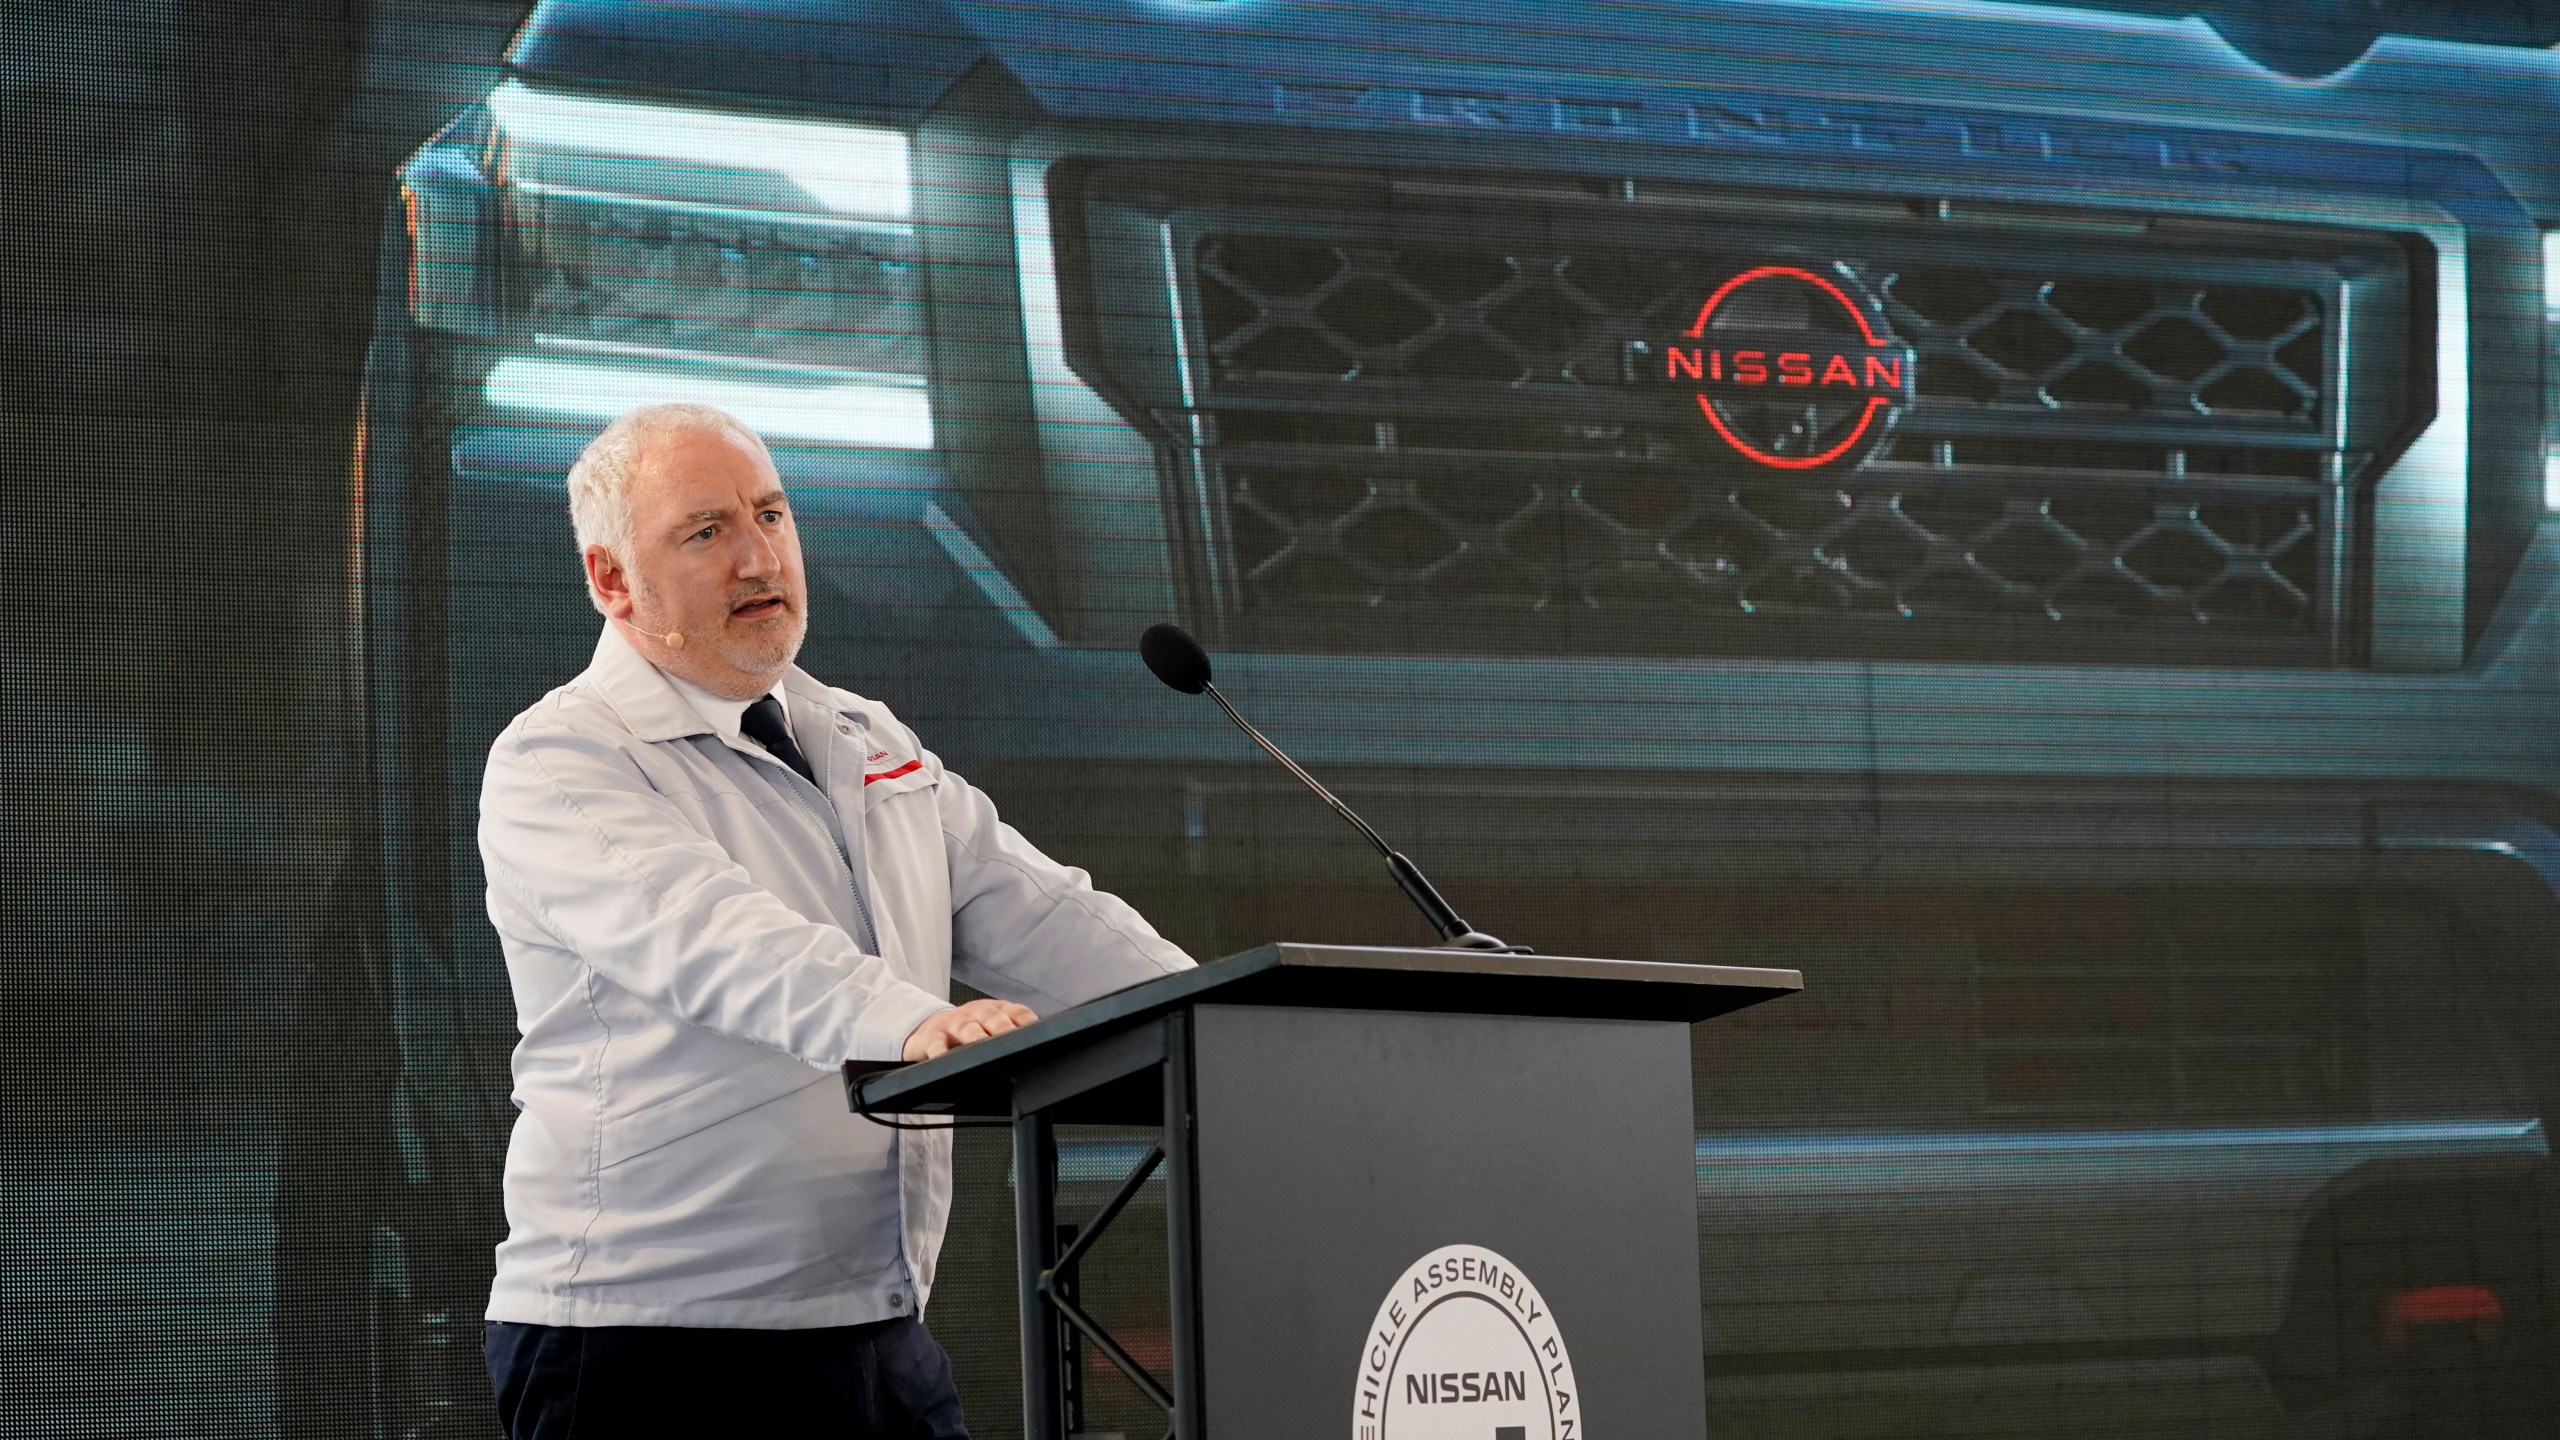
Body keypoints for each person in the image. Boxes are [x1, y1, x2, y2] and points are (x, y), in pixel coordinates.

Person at [475, 402, 1195, 1436]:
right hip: (650, 1345)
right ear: (611, 581)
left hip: (876, 1331)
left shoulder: (865, 737)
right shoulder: (562, 761)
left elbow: (1043, 915)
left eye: (771, 515)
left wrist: (1222, 1019)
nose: (759, 556)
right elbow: (713, 937)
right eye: (707, 531)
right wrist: (911, 1023)